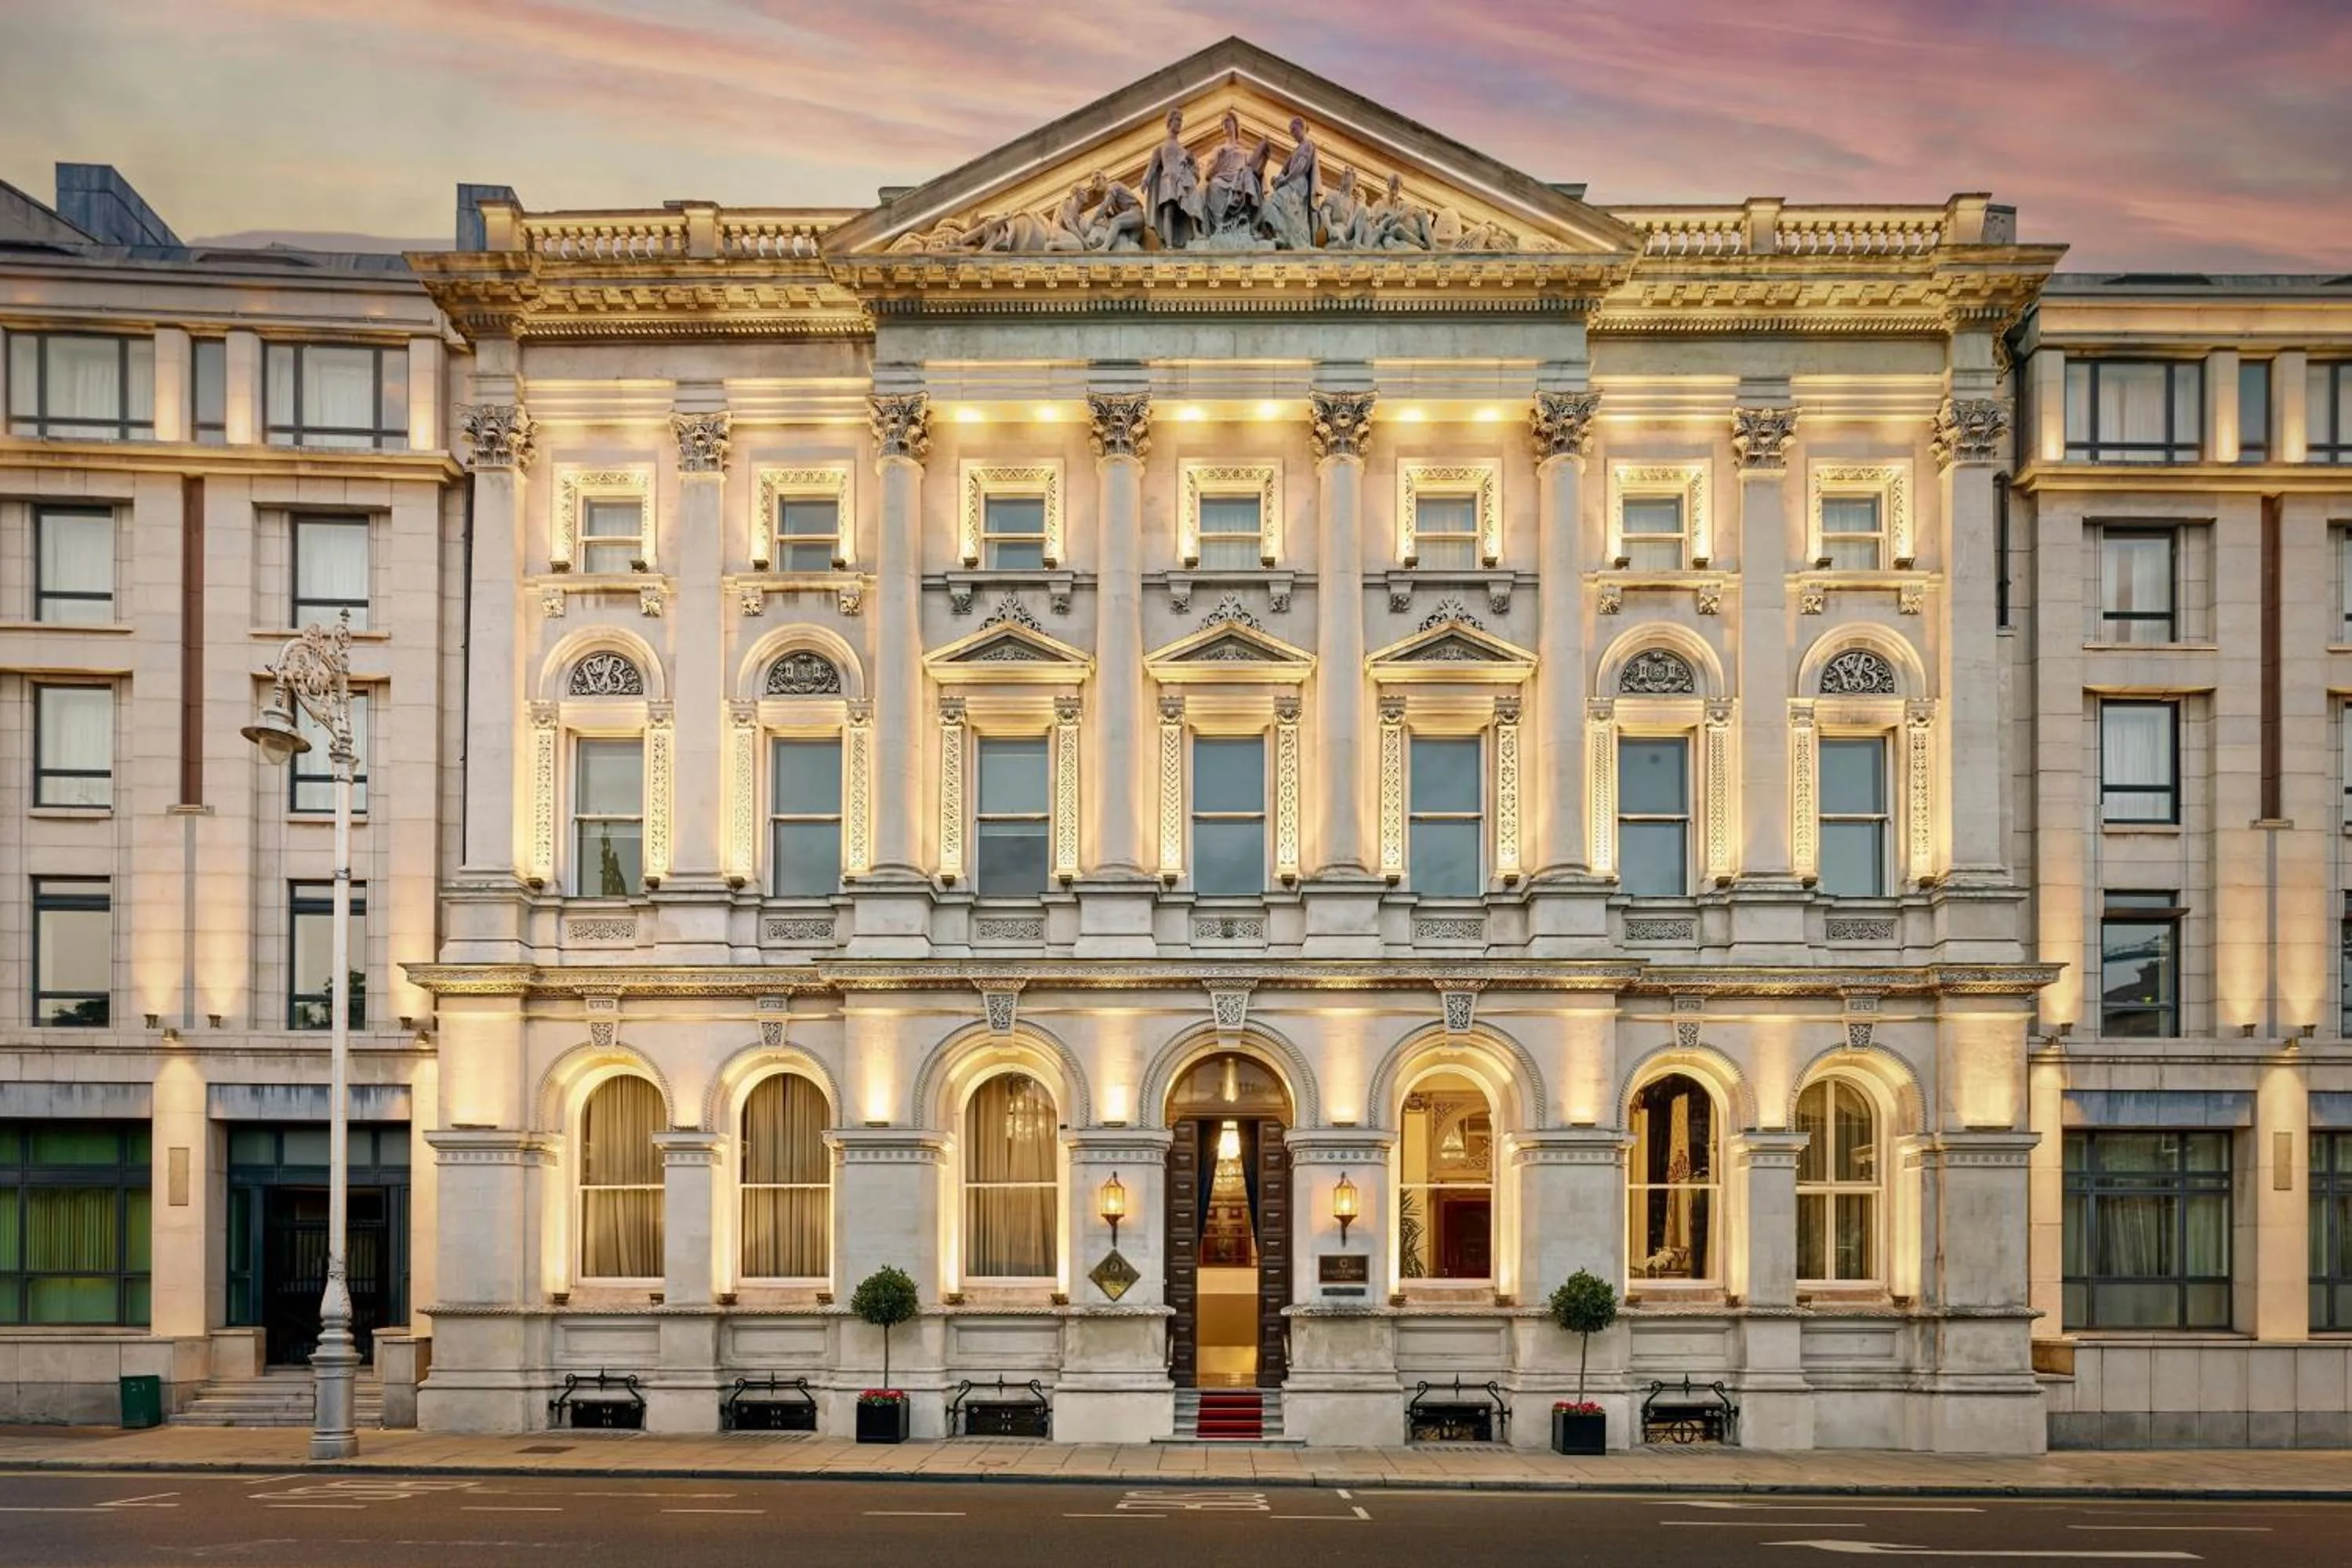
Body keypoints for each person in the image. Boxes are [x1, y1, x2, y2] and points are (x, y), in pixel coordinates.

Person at [1200, 109, 1272, 241]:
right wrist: (1219, 161)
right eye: (1222, 123)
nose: (1224, 125)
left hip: (1240, 182)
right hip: (1221, 181)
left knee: (1248, 175)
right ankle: (1221, 226)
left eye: (1227, 121)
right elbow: (1208, 176)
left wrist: (1265, 159)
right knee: (1214, 185)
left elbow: (1257, 174)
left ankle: (1250, 224)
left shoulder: (1244, 152)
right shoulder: (1218, 150)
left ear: (1235, 124)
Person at [1138, 107, 1203, 250]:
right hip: (1167, 180)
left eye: (1181, 120)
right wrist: (1145, 180)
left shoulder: (1183, 150)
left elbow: (1194, 169)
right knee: (1168, 211)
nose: (1179, 123)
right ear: (1170, 122)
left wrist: (1192, 162)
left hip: (1182, 180)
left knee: (1189, 204)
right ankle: (1169, 245)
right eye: (1177, 120)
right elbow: (1152, 167)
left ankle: (1195, 232)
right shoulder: (1162, 147)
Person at [1265, 115, 1319, 249]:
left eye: (1294, 130)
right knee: (1272, 203)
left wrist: (1284, 180)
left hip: (1298, 185)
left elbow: (1300, 168)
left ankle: (1286, 235)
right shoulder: (1296, 150)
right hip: (1292, 183)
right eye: (1291, 132)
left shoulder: (1308, 145)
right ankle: (1282, 233)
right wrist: (1277, 178)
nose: (1292, 134)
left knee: (1275, 201)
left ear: (1302, 128)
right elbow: (1285, 169)